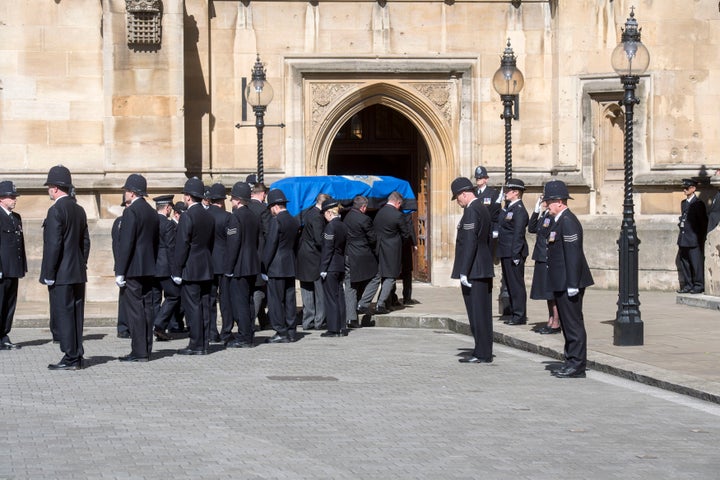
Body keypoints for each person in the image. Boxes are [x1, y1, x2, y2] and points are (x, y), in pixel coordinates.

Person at [41, 165, 91, 370]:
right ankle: (77, 354)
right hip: (78, 271)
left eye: (49, 187)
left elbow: (54, 245)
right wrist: (81, 262)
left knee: (64, 315)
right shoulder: (79, 209)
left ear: (54, 188)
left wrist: (49, 273)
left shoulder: (56, 211)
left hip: (61, 273)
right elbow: (85, 242)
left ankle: (70, 357)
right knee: (77, 315)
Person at [543, 180, 594, 378]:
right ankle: (571, 360)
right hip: (562, 281)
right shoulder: (558, 221)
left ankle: (577, 365)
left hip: (569, 282)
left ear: (559, 202)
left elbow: (573, 254)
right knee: (567, 324)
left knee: (573, 324)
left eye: (548, 202)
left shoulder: (568, 221)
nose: (546, 205)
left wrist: (573, 283)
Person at [115, 174, 160, 362]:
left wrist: (120, 271)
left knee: (135, 310)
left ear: (132, 193)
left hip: (133, 267)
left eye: (126, 191)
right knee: (147, 308)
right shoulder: (151, 211)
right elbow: (156, 241)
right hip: (149, 266)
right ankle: (147, 348)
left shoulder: (130, 212)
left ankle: (139, 351)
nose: (125, 194)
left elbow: (127, 243)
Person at [450, 177, 494, 364]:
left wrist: (464, 271)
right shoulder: (483, 209)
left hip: (474, 269)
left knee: (477, 313)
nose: (458, 201)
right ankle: (482, 350)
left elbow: (469, 243)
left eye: (457, 197)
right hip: (482, 266)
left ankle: (481, 353)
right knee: (483, 312)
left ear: (463, 194)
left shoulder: (471, 211)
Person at [172, 177, 215, 355]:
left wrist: (177, 269)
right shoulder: (208, 215)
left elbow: (182, 245)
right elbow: (210, 242)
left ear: (188, 197)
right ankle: (204, 343)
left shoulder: (187, 216)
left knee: (193, 307)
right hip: (206, 265)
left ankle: (196, 344)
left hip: (191, 267)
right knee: (205, 305)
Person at [224, 182, 260, 348]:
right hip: (252, 264)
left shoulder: (235, 217)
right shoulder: (253, 215)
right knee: (250, 301)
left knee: (240, 302)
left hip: (240, 266)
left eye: (232, 199)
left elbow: (233, 245)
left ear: (237, 200)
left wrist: (229, 268)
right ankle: (249, 332)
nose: (231, 202)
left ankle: (244, 336)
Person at [262, 189, 300, 343]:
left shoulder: (276, 221)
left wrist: (264, 264)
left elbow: (271, 244)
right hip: (289, 264)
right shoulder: (293, 220)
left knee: (276, 300)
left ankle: (280, 331)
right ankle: (291, 331)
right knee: (290, 299)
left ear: (275, 206)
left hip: (276, 266)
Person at [369, 191, 412, 314]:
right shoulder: (398, 215)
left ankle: (387, 303)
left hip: (379, 249)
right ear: (398, 202)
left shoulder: (379, 213)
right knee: (391, 276)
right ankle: (381, 304)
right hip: (392, 251)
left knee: (384, 276)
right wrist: (398, 243)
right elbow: (405, 234)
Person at [496, 178, 529, 325]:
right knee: (510, 284)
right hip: (505, 251)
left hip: (513, 253)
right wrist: (501, 205)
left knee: (516, 285)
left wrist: (516, 254)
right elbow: (500, 221)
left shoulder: (520, 210)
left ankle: (519, 315)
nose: (505, 193)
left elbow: (518, 234)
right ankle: (514, 312)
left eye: (508, 191)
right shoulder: (509, 208)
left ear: (516, 192)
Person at [343, 195, 379, 326]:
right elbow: (372, 239)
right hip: (362, 254)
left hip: (348, 254)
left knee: (350, 284)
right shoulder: (364, 219)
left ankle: (350, 318)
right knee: (376, 276)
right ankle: (362, 304)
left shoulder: (346, 217)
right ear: (363, 207)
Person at [0, 181, 27, 351]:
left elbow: (20, 244)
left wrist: (22, 266)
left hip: (13, 268)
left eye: (14, 197)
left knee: (10, 304)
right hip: (2, 269)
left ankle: (4, 334)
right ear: (1, 198)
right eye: (11, 197)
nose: (14, 199)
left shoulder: (16, 217)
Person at [528, 195, 560, 335]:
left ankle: (556, 322)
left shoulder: (553, 216)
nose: (543, 201)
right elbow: (531, 228)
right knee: (546, 293)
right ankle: (550, 319)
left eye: (545, 199)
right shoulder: (545, 214)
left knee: (552, 293)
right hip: (540, 256)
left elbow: (550, 234)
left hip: (547, 256)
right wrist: (536, 210)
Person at [297, 193, 329, 331]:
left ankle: (307, 320)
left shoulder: (308, 212)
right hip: (314, 257)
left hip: (304, 255)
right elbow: (319, 239)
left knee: (306, 290)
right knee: (319, 290)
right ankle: (319, 321)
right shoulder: (317, 216)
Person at [206, 183, 232, 343]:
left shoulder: (204, 215)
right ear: (222, 200)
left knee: (209, 299)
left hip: (208, 263)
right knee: (225, 299)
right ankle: (226, 331)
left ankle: (211, 332)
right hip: (224, 262)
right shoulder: (227, 217)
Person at [319, 198, 348, 337]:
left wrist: (323, 267)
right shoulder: (342, 225)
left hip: (331, 266)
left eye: (324, 213)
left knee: (331, 298)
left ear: (329, 212)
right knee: (339, 297)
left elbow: (328, 249)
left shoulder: (330, 227)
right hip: (340, 265)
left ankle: (333, 329)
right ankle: (342, 327)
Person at [676, 178, 707, 294]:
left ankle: (698, 285)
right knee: (685, 263)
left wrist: (699, 239)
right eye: (683, 188)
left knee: (696, 264)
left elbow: (702, 223)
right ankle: (688, 285)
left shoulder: (698, 204)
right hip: (683, 239)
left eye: (687, 188)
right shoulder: (683, 203)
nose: (684, 190)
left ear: (693, 189)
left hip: (693, 240)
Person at [248, 182, 271, 329]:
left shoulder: (245, 208)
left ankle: (263, 320)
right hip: (260, 254)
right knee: (259, 289)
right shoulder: (264, 209)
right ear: (263, 194)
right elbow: (268, 233)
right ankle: (251, 321)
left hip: (246, 253)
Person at [111, 195, 130, 339]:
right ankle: (123, 327)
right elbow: (117, 246)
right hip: (124, 265)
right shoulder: (120, 222)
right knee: (124, 299)